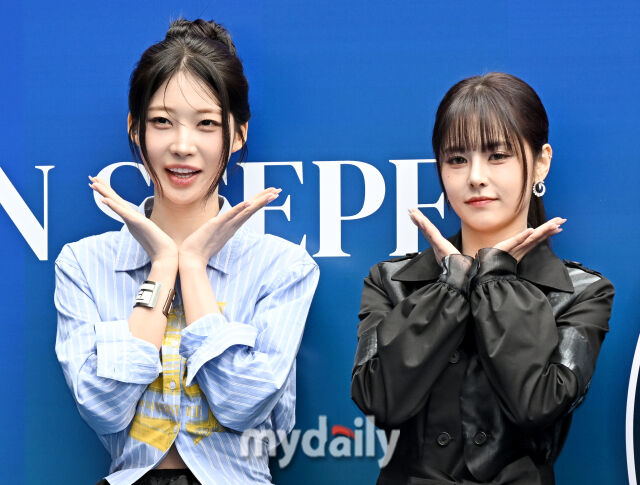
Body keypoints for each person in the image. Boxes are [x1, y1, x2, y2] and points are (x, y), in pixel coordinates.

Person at [54, 19, 319, 485]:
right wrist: (162, 266)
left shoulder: (282, 267)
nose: (182, 146)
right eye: (162, 121)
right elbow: (104, 409)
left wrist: (192, 266)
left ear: (238, 135)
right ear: (135, 128)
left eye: (206, 124)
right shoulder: (82, 264)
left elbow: (241, 405)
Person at [351, 72, 614, 484]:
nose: (475, 176)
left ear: (541, 162)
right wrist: (451, 285)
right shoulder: (391, 281)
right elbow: (379, 402)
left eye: (497, 155)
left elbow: (537, 405)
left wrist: (492, 277)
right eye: (457, 159)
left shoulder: (581, 292)